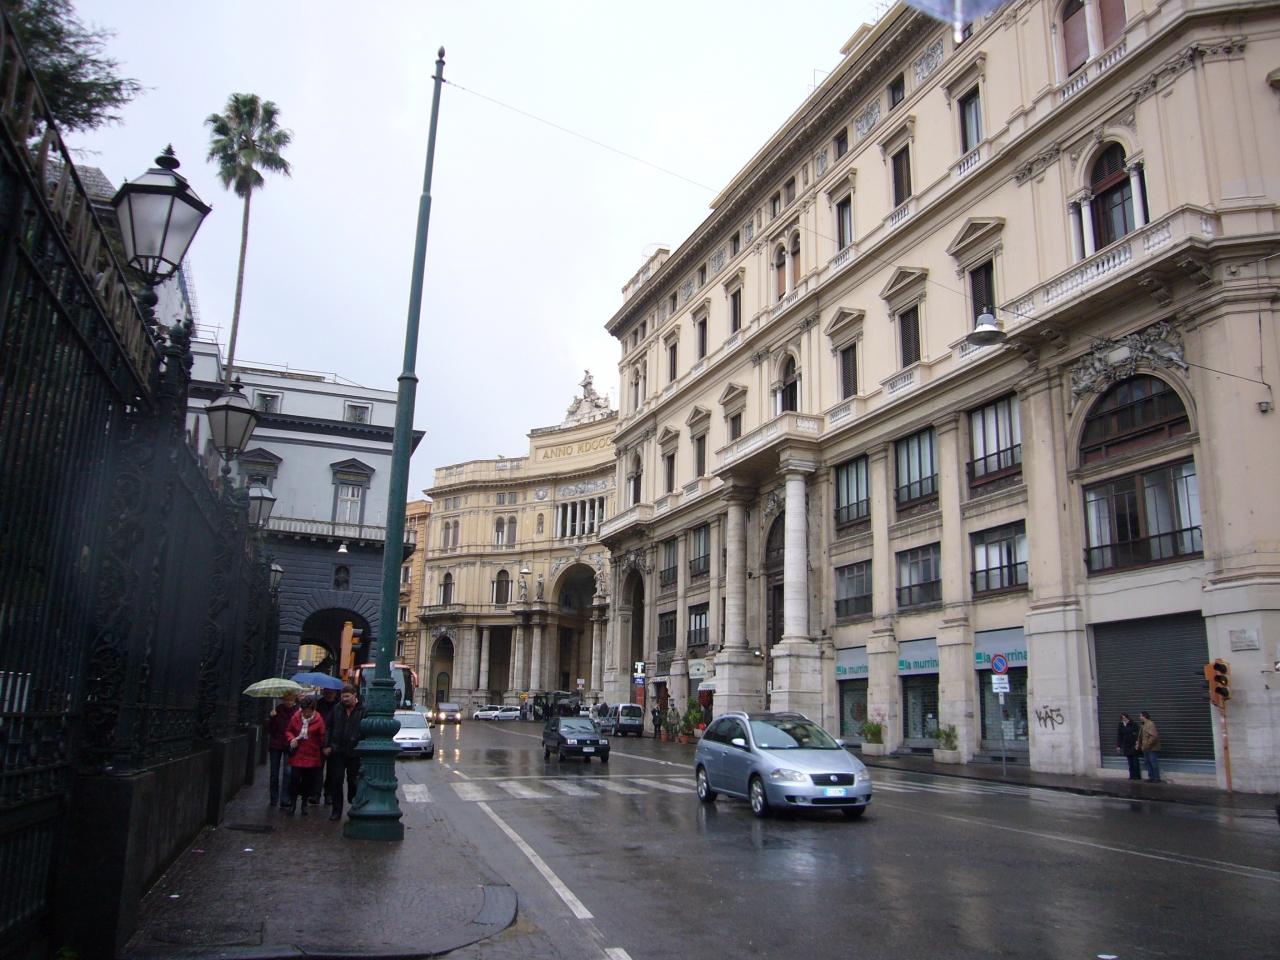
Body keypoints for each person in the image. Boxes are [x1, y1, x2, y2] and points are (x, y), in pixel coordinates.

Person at [324, 684, 365, 821]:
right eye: (343, 697)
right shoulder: (337, 708)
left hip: (355, 752)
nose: (345, 699)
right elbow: (328, 727)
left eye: (347, 696)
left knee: (353, 781)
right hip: (338, 750)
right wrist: (327, 745)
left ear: (354, 696)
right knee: (336, 782)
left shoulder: (363, 710)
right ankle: (336, 811)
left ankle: (353, 803)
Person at [285, 696, 327, 815]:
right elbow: (288, 730)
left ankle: (304, 804)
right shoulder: (295, 718)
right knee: (294, 779)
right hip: (298, 754)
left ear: (313, 710)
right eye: (304, 711)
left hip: (311, 755)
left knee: (307, 782)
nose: (307, 714)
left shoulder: (319, 720)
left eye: (309, 711)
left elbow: (322, 736)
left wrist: (322, 745)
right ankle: (293, 804)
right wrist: (292, 739)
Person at [266, 693, 298, 808]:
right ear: (283, 700)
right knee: (274, 773)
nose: (289, 702)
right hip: (276, 744)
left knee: (288, 772)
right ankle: (273, 798)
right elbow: (270, 730)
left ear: (294, 701)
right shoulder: (277, 710)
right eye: (287, 700)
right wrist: (272, 718)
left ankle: (285, 798)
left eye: (291, 700)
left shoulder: (297, 712)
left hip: (289, 745)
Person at [314, 687, 339, 803]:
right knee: (317, 769)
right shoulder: (318, 704)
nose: (329, 694)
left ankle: (328, 794)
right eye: (327, 692)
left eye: (331, 692)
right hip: (319, 739)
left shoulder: (339, 706)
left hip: (334, 740)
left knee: (332, 771)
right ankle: (316, 793)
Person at [1115, 712, 1141, 780]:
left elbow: (1138, 734)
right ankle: (1131, 775)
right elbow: (1120, 736)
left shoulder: (1133, 724)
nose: (1124, 719)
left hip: (1133, 744)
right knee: (1129, 761)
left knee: (1135, 761)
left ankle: (1137, 776)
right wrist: (1118, 746)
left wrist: (1137, 743)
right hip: (1126, 745)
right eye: (1122, 718)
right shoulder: (1121, 725)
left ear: (1127, 717)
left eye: (1125, 718)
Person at [1139, 711, 1161, 782]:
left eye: (1141, 716)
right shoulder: (1143, 724)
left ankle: (1156, 778)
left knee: (1153, 763)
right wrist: (1140, 744)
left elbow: (1154, 736)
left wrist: (1148, 745)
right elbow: (1142, 736)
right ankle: (1151, 777)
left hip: (1152, 748)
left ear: (1144, 716)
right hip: (1145, 748)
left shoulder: (1150, 724)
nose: (1140, 717)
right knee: (1147, 762)